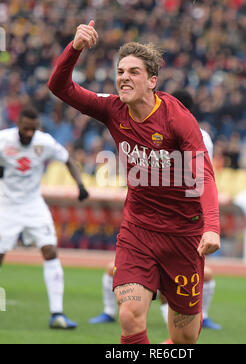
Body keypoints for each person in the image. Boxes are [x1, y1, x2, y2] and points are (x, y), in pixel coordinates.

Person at [48, 20, 220, 344]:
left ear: (152, 80)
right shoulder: (113, 109)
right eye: (120, 71)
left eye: (133, 72)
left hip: (184, 235)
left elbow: (205, 174)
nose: (123, 77)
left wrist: (212, 225)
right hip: (137, 231)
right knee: (129, 315)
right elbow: (60, 87)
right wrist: (75, 48)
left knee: (185, 338)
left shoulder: (178, 119)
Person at [89, 91, 222, 331]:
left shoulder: (196, 136)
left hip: (182, 224)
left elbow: (203, 176)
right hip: (146, 222)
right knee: (128, 309)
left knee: (184, 330)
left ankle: (196, 316)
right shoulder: (141, 122)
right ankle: (110, 312)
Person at [0, 107, 89, 329]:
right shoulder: (3, 140)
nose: (29, 133)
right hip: (6, 204)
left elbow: (67, 160)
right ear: (18, 125)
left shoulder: (45, 142)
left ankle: (57, 314)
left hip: (33, 204)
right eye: (25, 129)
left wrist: (80, 185)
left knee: (50, 250)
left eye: (33, 129)